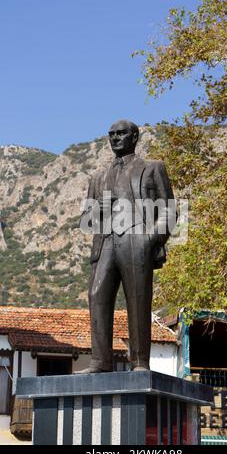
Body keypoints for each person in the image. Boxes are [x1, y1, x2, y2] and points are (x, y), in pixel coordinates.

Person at [79, 120, 176, 373]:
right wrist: (101, 208)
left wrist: (151, 238)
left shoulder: (152, 168)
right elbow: (89, 221)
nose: (115, 138)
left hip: (137, 237)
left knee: (138, 299)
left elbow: (170, 210)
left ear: (134, 137)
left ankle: (140, 362)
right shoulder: (98, 177)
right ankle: (100, 361)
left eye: (121, 134)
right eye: (111, 135)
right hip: (107, 241)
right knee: (96, 295)